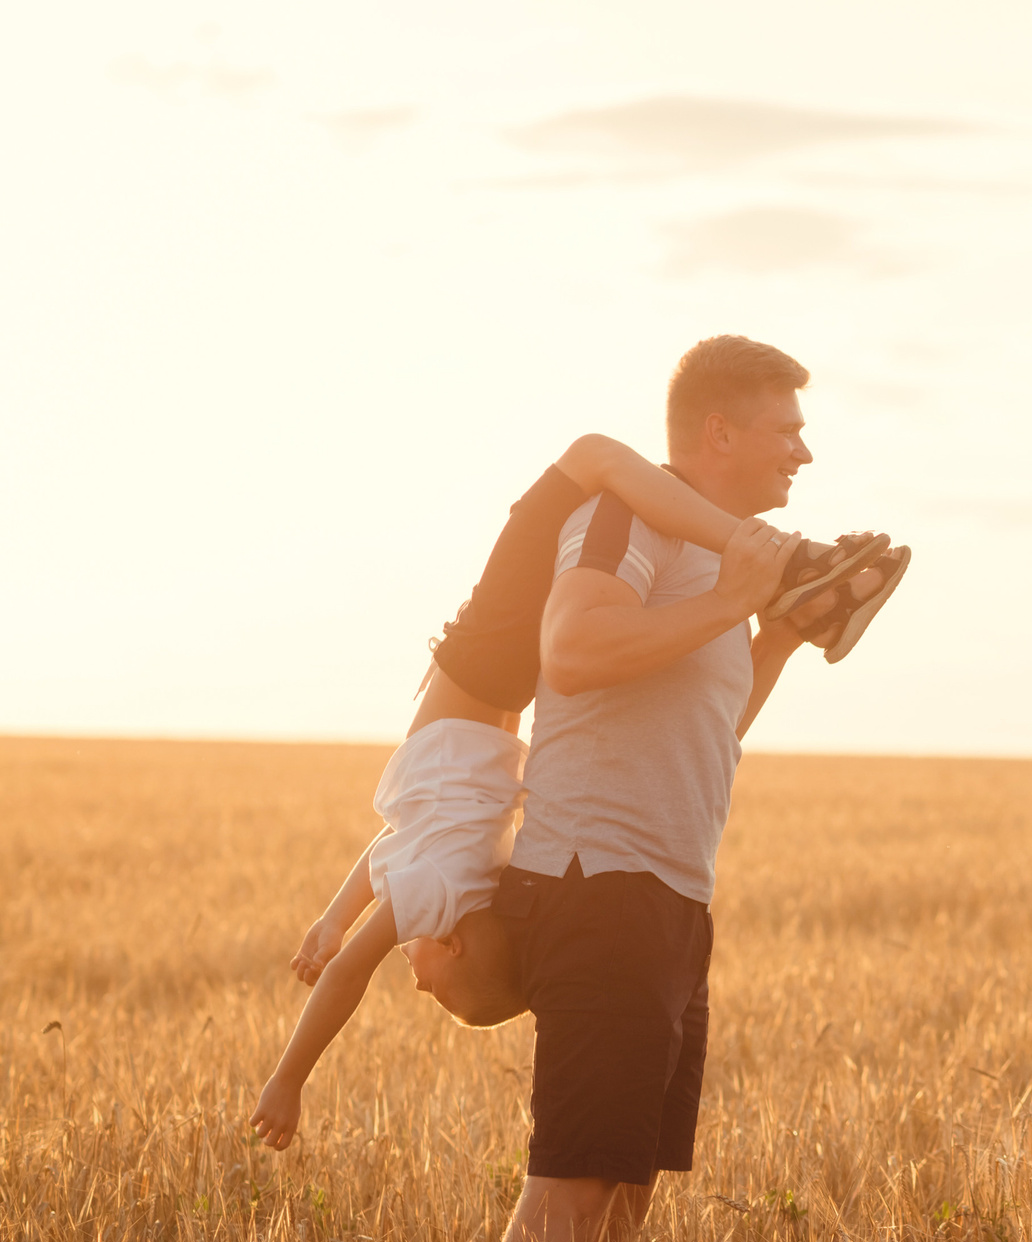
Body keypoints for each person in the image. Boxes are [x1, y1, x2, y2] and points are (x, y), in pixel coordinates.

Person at [248, 433, 900, 1149]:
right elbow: (347, 975)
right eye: (434, 987)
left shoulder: (464, 865)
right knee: (594, 459)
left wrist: (333, 915)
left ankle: (799, 581)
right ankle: (794, 564)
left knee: (612, 481)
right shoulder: (440, 889)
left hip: (496, 678)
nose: (415, 982)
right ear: (456, 944)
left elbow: (393, 842)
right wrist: (289, 1076)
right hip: (481, 668)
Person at [486, 335, 881, 1242]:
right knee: (572, 1185)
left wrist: (776, 636)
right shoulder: (624, 515)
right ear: (720, 431)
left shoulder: (718, 556)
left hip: (667, 896)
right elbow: (573, 650)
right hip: (596, 886)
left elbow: (704, 727)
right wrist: (739, 599)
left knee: (625, 1187)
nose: (804, 453)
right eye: (787, 430)